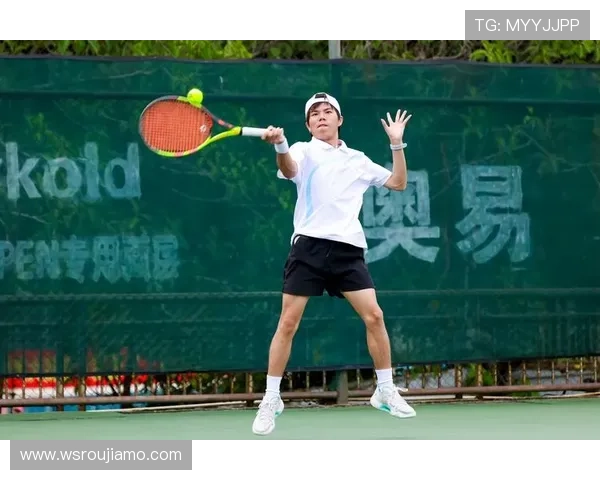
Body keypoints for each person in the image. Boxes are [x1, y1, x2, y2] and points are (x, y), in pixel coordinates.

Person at [252, 92, 416, 436]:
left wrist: (396, 144)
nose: (322, 117)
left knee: (374, 316)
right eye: (315, 113)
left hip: (347, 249)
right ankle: (271, 398)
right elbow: (289, 169)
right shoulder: (301, 150)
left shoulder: (357, 160)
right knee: (288, 322)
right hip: (309, 247)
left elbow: (398, 183)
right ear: (308, 124)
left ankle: (385, 390)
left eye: (328, 111)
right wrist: (280, 144)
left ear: (339, 120)